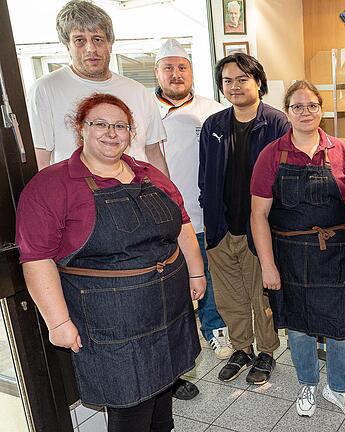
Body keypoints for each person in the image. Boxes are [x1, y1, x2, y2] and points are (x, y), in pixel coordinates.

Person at [16, 93, 204, 432]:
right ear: (80, 129)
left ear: (131, 133)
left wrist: (197, 271)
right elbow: (36, 257)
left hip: (168, 306)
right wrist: (58, 323)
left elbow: (183, 223)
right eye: (100, 124)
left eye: (120, 125)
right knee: (130, 403)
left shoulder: (149, 174)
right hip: (112, 319)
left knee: (163, 390)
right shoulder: (51, 185)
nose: (111, 133)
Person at [251, 80, 345, 420]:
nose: (305, 112)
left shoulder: (343, 152)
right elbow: (258, 214)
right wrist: (268, 266)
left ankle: (340, 388)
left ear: (322, 110)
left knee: (343, 325)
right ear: (287, 112)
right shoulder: (271, 154)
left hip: (339, 251)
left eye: (312, 106)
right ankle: (307, 383)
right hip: (291, 255)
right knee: (299, 325)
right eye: (297, 106)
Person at [199, 53, 287, 385]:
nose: (234, 86)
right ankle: (241, 348)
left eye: (242, 79)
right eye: (228, 81)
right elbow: (204, 177)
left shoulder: (277, 124)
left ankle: (266, 351)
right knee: (228, 295)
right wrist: (209, 216)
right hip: (221, 227)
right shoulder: (214, 126)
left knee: (259, 295)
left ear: (258, 83)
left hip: (258, 228)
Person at [154, 38, 233, 361]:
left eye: (182, 67)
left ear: (192, 72)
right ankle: (182, 341)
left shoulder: (214, 111)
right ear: (157, 73)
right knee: (172, 282)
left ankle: (215, 330)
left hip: (203, 213)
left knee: (210, 275)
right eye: (169, 68)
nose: (176, 74)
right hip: (161, 217)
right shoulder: (143, 112)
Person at [27, 0, 168, 175]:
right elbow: (41, 160)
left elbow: (154, 153)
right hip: (77, 198)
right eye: (79, 40)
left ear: (110, 43)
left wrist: (168, 197)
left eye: (98, 39)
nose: (90, 49)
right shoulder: (45, 89)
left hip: (137, 195)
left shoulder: (138, 91)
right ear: (67, 45)